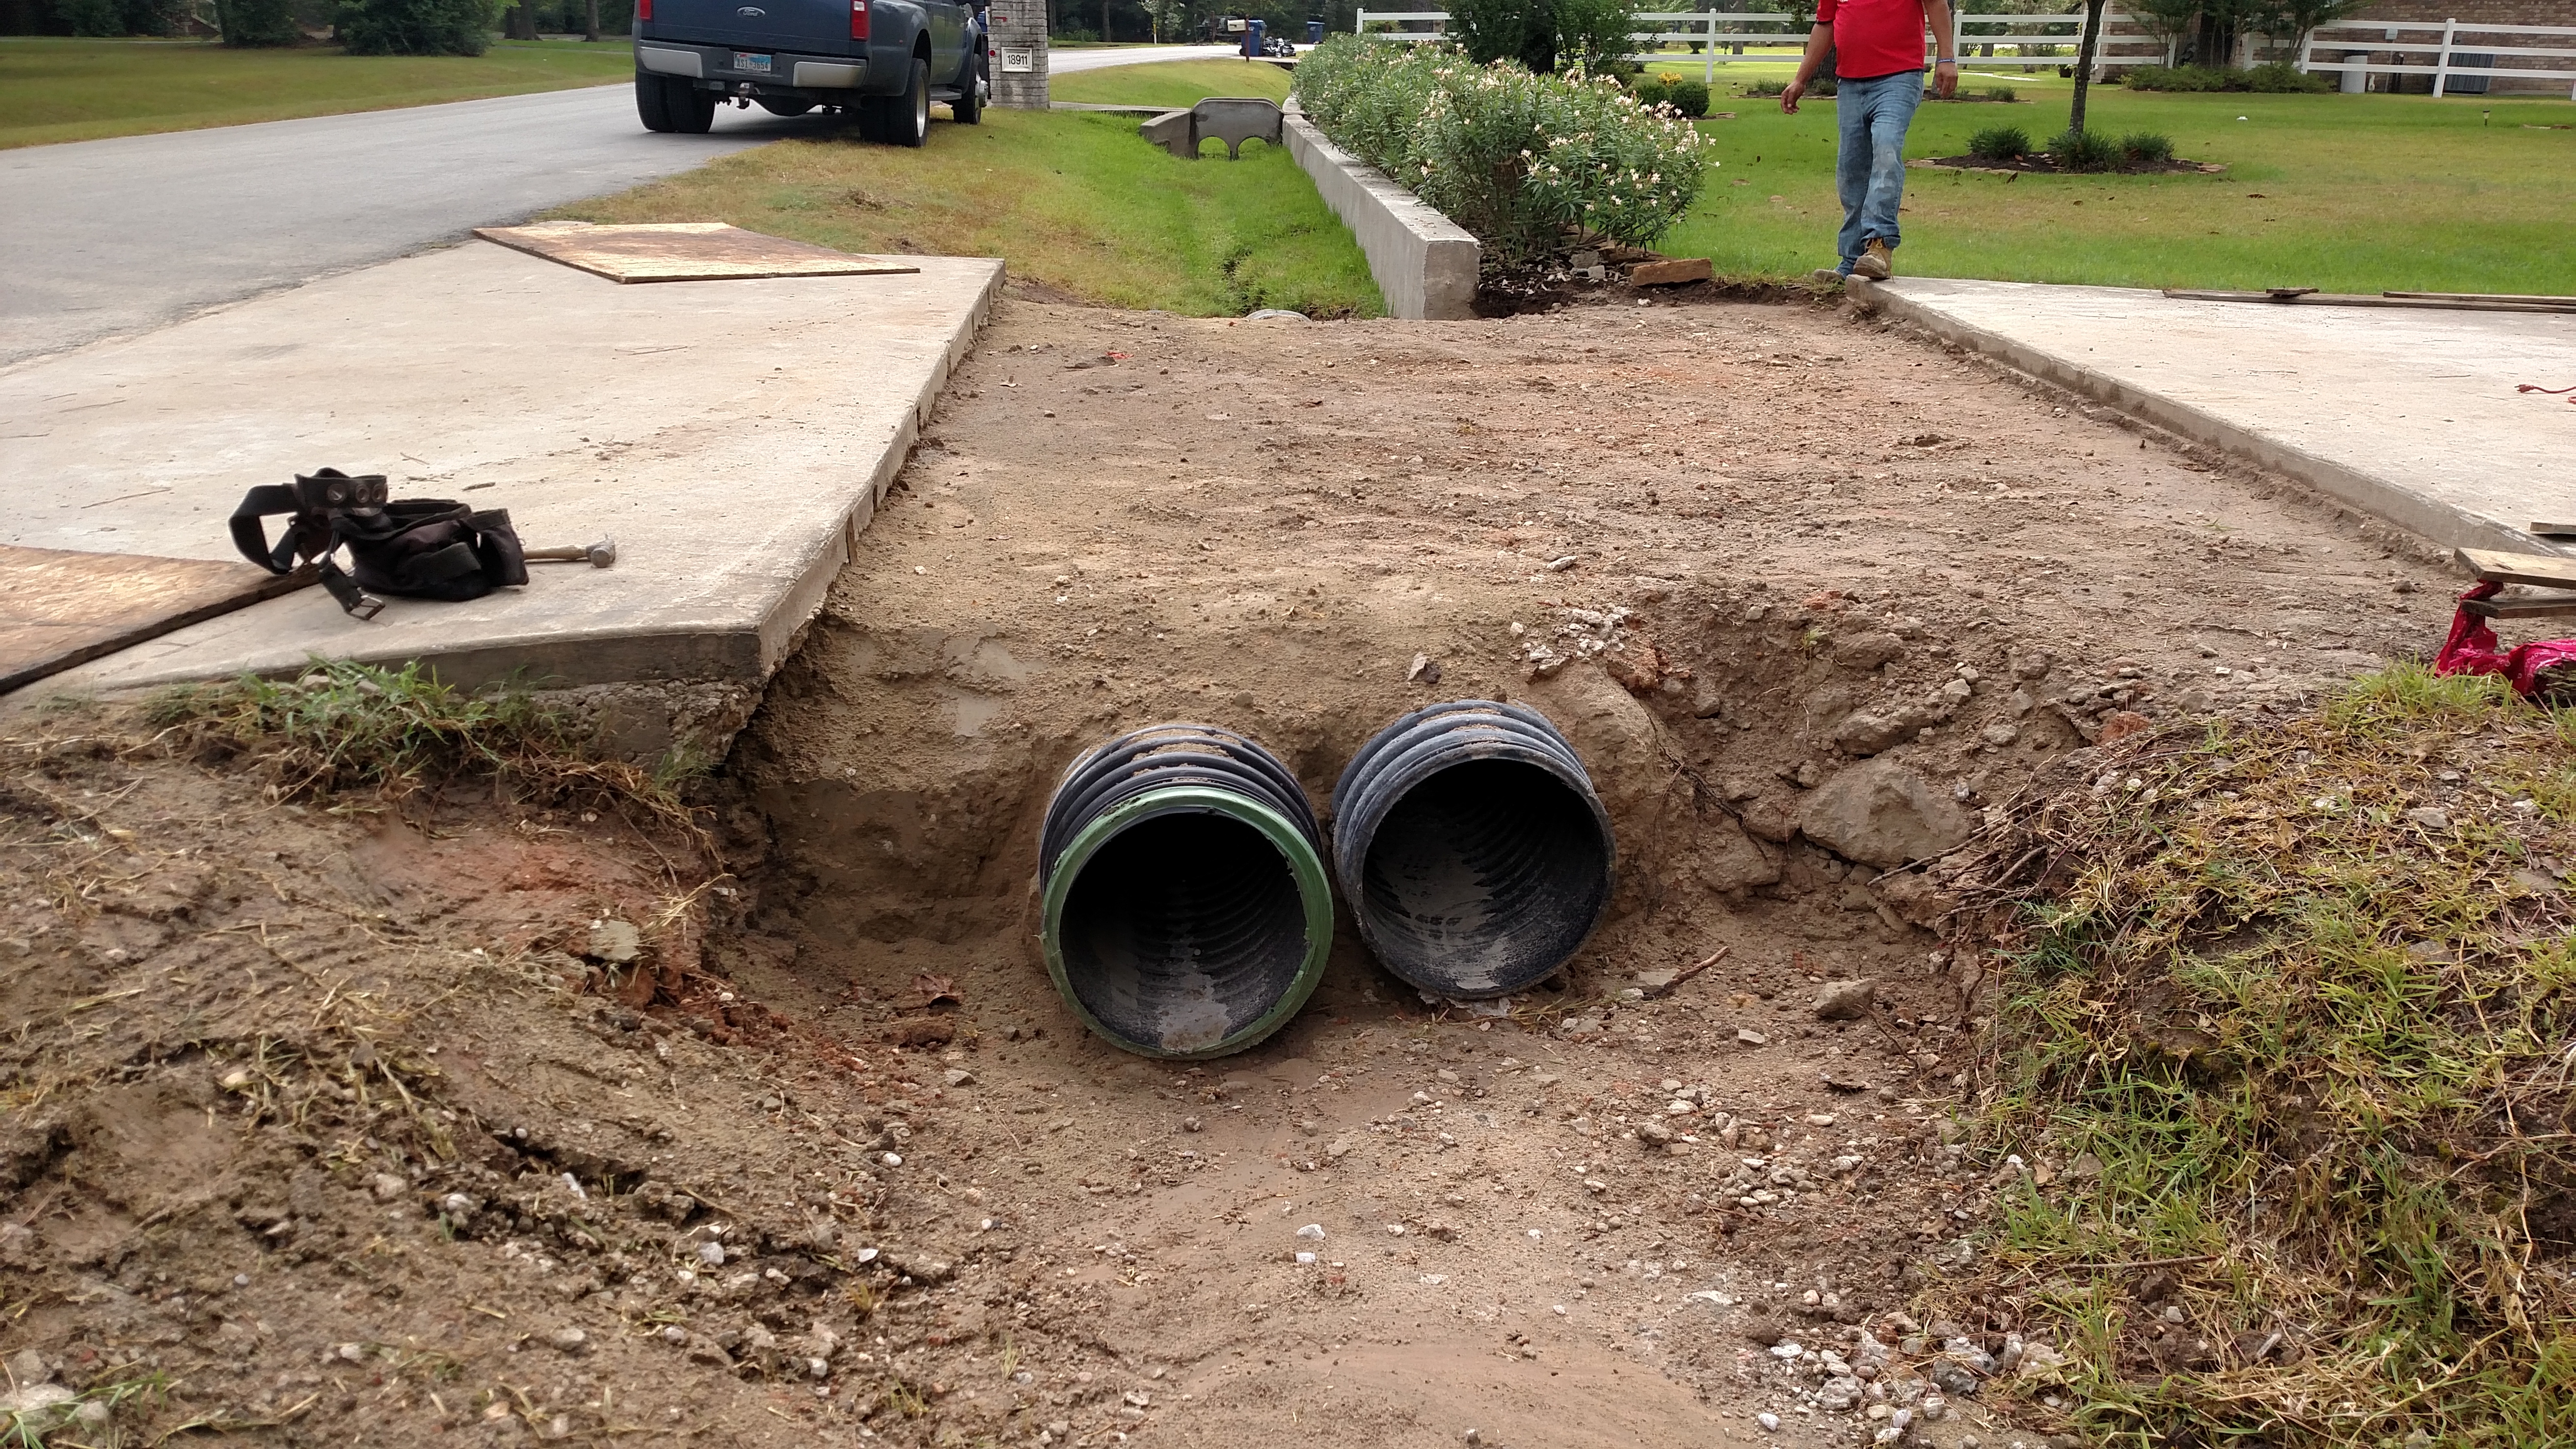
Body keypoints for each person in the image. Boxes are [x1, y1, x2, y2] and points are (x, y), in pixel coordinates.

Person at [1781, 0, 1959, 282]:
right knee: (1852, 170)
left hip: (1899, 78)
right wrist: (1801, 79)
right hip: (1850, 83)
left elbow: (1936, 4)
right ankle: (1851, 259)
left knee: (1886, 149)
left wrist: (1947, 58)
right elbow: (1826, 24)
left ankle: (1880, 247)